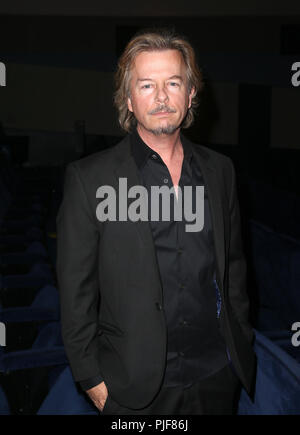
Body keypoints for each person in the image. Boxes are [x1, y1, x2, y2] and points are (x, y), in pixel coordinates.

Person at [56, 29, 256, 415]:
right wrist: (91, 380)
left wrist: (239, 342)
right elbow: (75, 291)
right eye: (147, 85)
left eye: (173, 83)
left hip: (216, 376)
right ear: (129, 99)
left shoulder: (220, 172)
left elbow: (233, 269)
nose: (162, 97)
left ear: (191, 93)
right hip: (131, 389)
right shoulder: (89, 179)